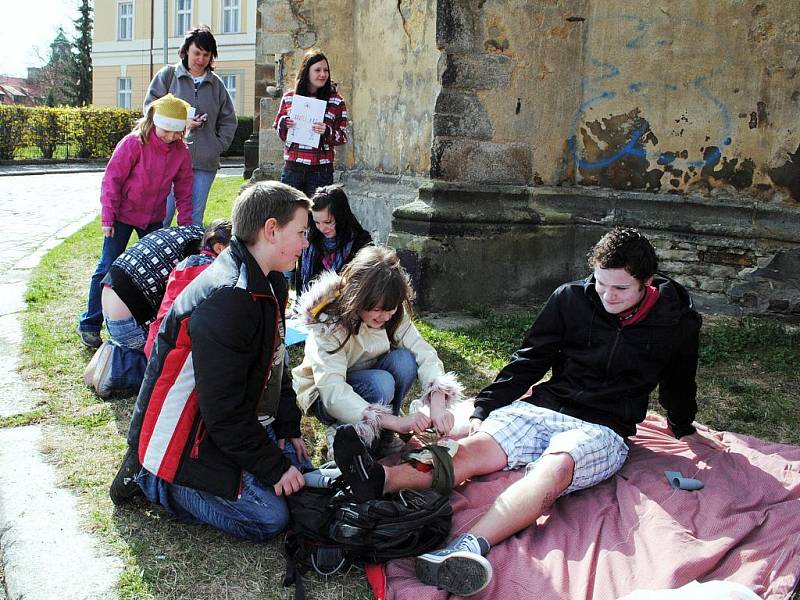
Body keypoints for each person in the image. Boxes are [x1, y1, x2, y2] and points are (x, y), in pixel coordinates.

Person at [333, 227, 715, 596]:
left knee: (556, 466)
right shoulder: (570, 298)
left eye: (620, 288)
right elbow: (529, 362)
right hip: (545, 407)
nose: (606, 296)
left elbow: (680, 380)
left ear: (646, 283)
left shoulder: (675, 321)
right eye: (600, 283)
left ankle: (465, 549)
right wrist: (484, 408)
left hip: (604, 426)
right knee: (469, 451)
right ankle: (379, 479)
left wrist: (683, 426)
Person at [108, 182, 312, 543]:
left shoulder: (272, 281)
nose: (305, 244)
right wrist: (273, 466)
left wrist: (287, 427)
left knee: (303, 482)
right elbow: (222, 411)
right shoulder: (230, 298)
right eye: (300, 232)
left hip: (220, 426)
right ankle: (154, 481)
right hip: (184, 439)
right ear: (271, 230)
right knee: (269, 517)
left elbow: (276, 365)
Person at [292, 245, 463, 459]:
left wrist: (438, 404)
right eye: (378, 310)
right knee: (380, 383)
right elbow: (332, 391)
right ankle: (343, 430)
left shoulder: (393, 311)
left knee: (404, 361)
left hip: (371, 378)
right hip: (326, 395)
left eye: (390, 310)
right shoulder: (328, 322)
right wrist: (397, 421)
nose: (385, 317)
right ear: (358, 298)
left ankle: (384, 432)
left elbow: (423, 352)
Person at [77, 94, 193, 349]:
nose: (172, 136)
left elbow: (184, 190)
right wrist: (108, 216)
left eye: (178, 132)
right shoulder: (133, 143)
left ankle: (151, 323)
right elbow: (112, 181)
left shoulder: (181, 152)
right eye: (167, 130)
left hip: (152, 218)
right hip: (121, 216)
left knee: (160, 270)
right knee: (107, 265)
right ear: (154, 122)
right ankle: (90, 324)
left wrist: (186, 228)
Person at [83, 223, 206, 398]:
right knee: (178, 369)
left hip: (111, 304)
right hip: (129, 320)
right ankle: (118, 366)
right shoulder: (201, 257)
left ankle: (117, 353)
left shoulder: (191, 233)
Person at [145, 25, 237, 227]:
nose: (201, 59)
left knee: (194, 219)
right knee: (162, 217)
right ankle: (161, 258)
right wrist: (181, 125)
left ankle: (190, 258)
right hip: (167, 159)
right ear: (186, 50)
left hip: (204, 163)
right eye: (197, 53)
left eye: (206, 54)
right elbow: (150, 111)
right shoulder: (168, 76)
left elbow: (229, 120)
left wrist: (217, 146)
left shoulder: (217, 84)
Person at [143, 219, 232, 357]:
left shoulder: (185, 264)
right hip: (176, 349)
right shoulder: (214, 273)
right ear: (219, 248)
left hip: (156, 341)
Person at [273, 48, 348, 198]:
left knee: (316, 217)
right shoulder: (289, 98)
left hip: (321, 171)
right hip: (293, 169)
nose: (322, 74)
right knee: (290, 216)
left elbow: (343, 136)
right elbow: (279, 132)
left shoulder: (336, 101)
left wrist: (327, 131)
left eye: (326, 70)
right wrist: (284, 123)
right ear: (307, 71)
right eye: (317, 70)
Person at [294, 185, 372, 294]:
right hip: (309, 305)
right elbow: (300, 282)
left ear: (340, 216)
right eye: (317, 222)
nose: (322, 228)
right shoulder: (310, 241)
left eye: (327, 222)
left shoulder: (361, 244)